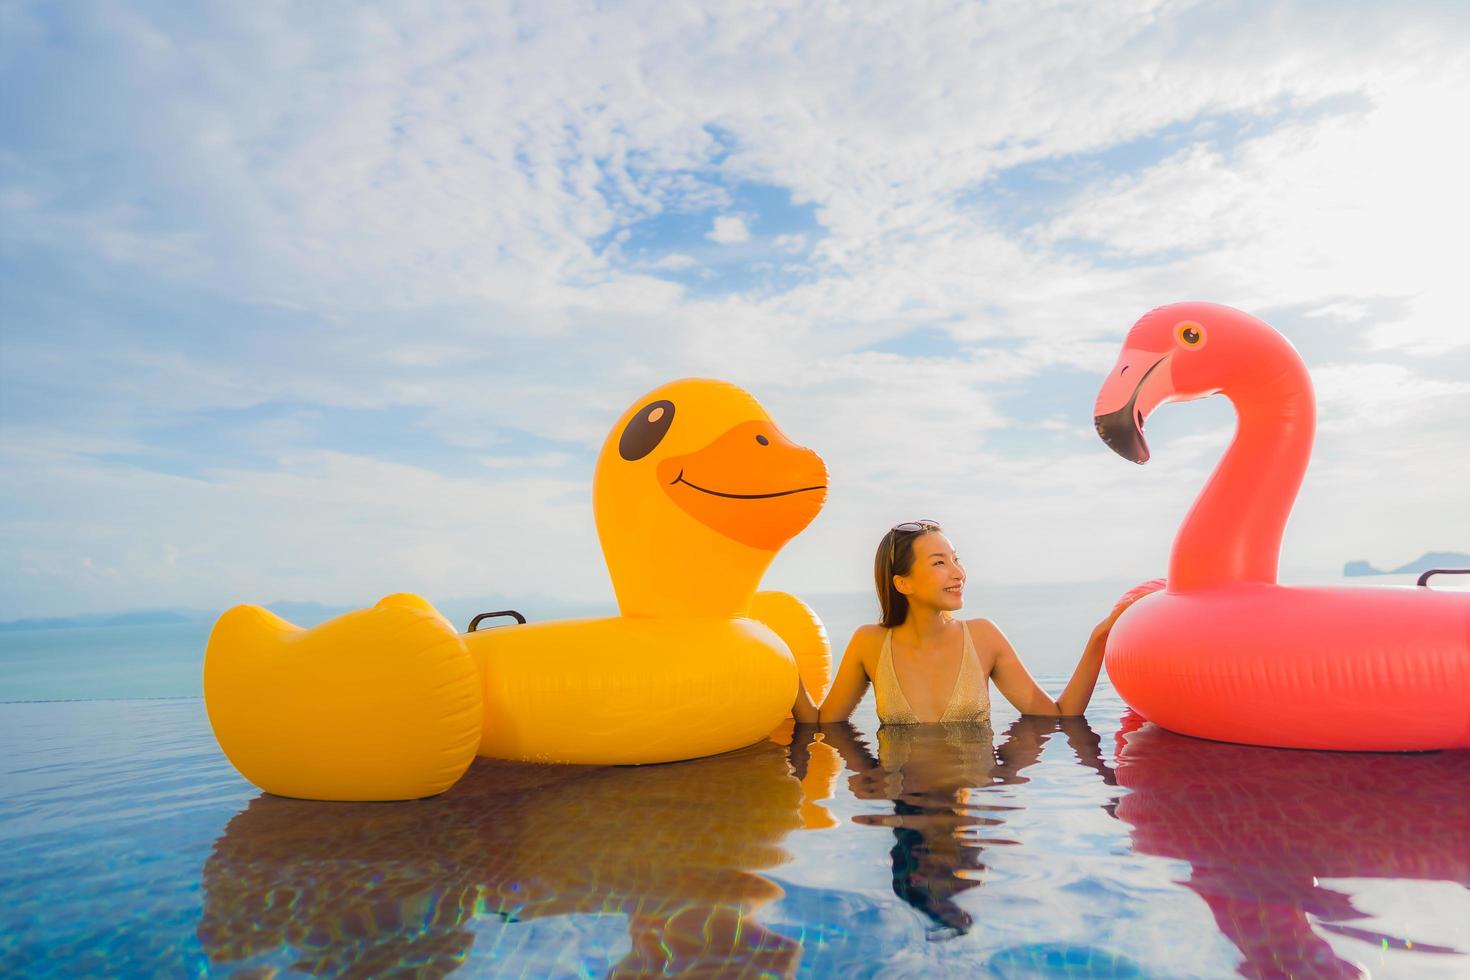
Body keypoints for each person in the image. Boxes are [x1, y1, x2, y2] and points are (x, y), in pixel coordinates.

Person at [792, 520, 1153, 724]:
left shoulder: (983, 637)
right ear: (903, 583)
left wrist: (1099, 637)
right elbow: (821, 724)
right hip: (905, 811)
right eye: (939, 563)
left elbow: (1058, 716)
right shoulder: (869, 643)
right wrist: (783, 666)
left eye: (955, 559)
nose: (959, 573)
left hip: (974, 806)